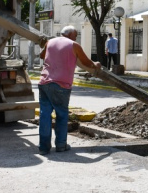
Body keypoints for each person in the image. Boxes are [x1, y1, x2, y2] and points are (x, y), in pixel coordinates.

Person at [38, 25, 101, 155]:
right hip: (61, 85)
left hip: (44, 83)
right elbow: (87, 62)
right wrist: (96, 65)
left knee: (45, 115)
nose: (76, 37)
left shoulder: (50, 42)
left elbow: (41, 55)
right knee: (61, 115)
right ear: (71, 35)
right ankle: (61, 145)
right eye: (75, 35)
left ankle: (44, 147)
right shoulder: (74, 45)